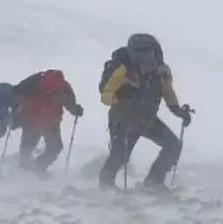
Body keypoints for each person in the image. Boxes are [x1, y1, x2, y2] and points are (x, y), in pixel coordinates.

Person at [98, 33, 193, 192]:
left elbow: (167, 92)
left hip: (147, 118)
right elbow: (105, 95)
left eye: (150, 59)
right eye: (142, 59)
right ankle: (106, 183)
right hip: (121, 118)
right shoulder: (121, 69)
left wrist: (177, 110)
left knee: (173, 145)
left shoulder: (162, 71)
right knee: (120, 154)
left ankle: (153, 182)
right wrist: (120, 99)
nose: (146, 65)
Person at [12, 69, 83, 175]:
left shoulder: (62, 87)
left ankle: (36, 168)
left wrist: (75, 110)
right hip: (33, 119)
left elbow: (70, 103)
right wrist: (16, 108)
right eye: (49, 90)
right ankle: (26, 169)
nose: (51, 93)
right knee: (32, 145)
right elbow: (16, 92)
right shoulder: (35, 81)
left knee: (53, 146)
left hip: (48, 120)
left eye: (54, 91)